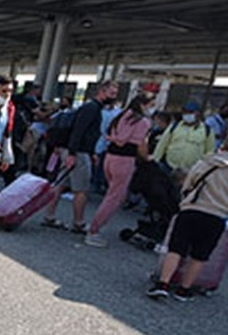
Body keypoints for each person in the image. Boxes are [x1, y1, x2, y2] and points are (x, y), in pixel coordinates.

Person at [147, 133, 228, 301]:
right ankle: (184, 289)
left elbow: (187, 185)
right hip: (216, 216)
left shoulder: (204, 163)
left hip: (191, 211)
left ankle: (163, 284)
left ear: (224, 145)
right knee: (200, 255)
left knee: (176, 249)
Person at [41, 80, 119, 233]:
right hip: (78, 153)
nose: (114, 97)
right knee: (81, 189)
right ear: (102, 91)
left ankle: (48, 216)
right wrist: (72, 153)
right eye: (112, 93)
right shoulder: (92, 108)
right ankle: (79, 223)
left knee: (60, 184)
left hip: (76, 151)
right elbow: (79, 131)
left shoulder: (91, 107)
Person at [85, 91, 156, 247]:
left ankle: (95, 226)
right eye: (151, 105)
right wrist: (147, 157)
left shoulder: (122, 115)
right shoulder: (142, 122)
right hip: (125, 160)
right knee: (114, 197)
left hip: (110, 157)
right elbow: (141, 145)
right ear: (143, 105)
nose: (152, 109)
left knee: (113, 195)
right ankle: (94, 230)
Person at [151, 101, 215, 174]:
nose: (187, 115)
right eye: (185, 112)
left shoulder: (207, 130)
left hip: (191, 171)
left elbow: (209, 152)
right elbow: (162, 144)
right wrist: (155, 162)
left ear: (198, 114)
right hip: (169, 167)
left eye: (190, 112)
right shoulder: (174, 126)